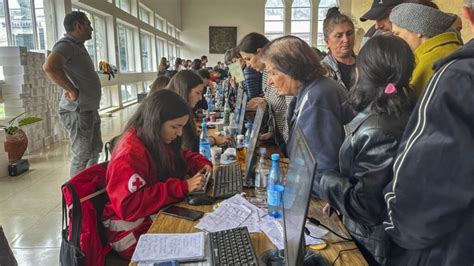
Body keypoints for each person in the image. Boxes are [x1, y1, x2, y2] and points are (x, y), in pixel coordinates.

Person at [383, 4, 474, 265]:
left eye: (398, 35)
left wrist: (394, 227)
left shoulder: (449, 72)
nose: (396, 42)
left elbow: (428, 167)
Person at [319, 35, 416, 265]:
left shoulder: (380, 130)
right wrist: (341, 199)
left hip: (372, 244)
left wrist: (329, 182)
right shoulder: (399, 106)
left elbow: (365, 206)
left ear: (362, 72)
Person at [102, 90, 211, 259]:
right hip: (128, 232)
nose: (179, 134)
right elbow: (129, 207)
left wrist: (202, 164)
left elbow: (182, 156)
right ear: (155, 121)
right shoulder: (130, 154)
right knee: (197, 242)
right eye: (175, 127)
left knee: (201, 230)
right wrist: (182, 187)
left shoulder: (154, 137)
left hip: (150, 215)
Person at [260, 35, 353, 197]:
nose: (269, 81)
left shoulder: (318, 97)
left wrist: (295, 195)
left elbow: (322, 168)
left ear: (291, 69)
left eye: (273, 73)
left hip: (322, 197)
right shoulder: (310, 91)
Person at [43, 11, 102, 177]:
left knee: (94, 150)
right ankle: (75, 197)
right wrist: (71, 90)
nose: (91, 28)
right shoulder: (66, 44)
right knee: (82, 154)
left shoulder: (77, 46)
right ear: (78, 25)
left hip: (89, 108)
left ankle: (88, 187)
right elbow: (50, 66)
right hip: (77, 110)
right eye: (88, 24)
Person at [389, 3, 462, 97]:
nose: (395, 39)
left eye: (397, 34)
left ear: (418, 30)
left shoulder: (428, 63)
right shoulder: (453, 48)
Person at [237, 32, 291, 155]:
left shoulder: (281, 73)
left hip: (289, 140)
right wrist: (272, 131)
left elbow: (291, 111)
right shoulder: (265, 73)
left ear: (260, 52)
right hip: (279, 137)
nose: (248, 64)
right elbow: (274, 108)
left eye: (248, 59)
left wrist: (289, 145)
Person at [167, 70, 231, 151]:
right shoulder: (176, 114)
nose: (200, 98)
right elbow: (190, 146)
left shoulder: (182, 109)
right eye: (198, 93)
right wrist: (214, 140)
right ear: (185, 91)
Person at [321, 7, 356, 90]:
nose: (346, 40)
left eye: (349, 33)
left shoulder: (365, 65)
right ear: (327, 42)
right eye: (339, 36)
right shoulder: (321, 71)